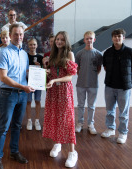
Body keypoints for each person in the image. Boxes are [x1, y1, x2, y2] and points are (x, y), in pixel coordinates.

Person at [0, 24, 35, 169]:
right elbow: (3, 78)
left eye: (21, 34)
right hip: (8, 94)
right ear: (10, 36)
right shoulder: (3, 53)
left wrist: (40, 75)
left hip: (22, 95)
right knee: (4, 127)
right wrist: (22, 86)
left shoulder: (24, 54)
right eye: (15, 34)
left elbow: (24, 73)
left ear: (24, 35)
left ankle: (14, 151)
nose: (19, 37)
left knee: (17, 125)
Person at [42, 31, 78, 168]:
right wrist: (47, 71)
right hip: (53, 90)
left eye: (62, 39)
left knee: (67, 120)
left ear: (66, 41)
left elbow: (69, 77)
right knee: (54, 117)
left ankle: (72, 152)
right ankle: (57, 143)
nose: (59, 42)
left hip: (64, 91)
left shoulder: (69, 54)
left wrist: (55, 79)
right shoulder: (52, 54)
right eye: (57, 39)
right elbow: (53, 72)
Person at [101, 28, 132, 144]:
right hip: (110, 86)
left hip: (124, 87)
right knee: (109, 110)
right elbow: (105, 67)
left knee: (123, 113)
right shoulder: (107, 52)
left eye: (119, 36)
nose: (117, 38)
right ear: (112, 38)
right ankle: (110, 129)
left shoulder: (130, 52)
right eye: (115, 36)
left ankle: (123, 133)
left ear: (123, 38)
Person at [74, 31, 103, 135]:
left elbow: (99, 68)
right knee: (80, 105)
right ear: (84, 40)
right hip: (81, 84)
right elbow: (77, 69)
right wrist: (83, 75)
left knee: (91, 106)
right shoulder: (79, 54)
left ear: (94, 39)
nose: (89, 40)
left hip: (93, 84)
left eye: (91, 38)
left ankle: (91, 124)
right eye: (87, 38)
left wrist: (92, 76)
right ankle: (80, 123)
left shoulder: (99, 54)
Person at [26, 38, 43, 131]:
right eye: (31, 44)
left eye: (34, 44)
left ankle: (37, 120)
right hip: (28, 82)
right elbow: (23, 69)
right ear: (28, 45)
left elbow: (44, 71)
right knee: (28, 101)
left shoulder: (40, 57)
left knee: (37, 100)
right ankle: (29, 120)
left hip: (38, 83)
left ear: (37, 45)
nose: (32, 46)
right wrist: (27, 70)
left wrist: (39, 67)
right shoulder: (25, 56)